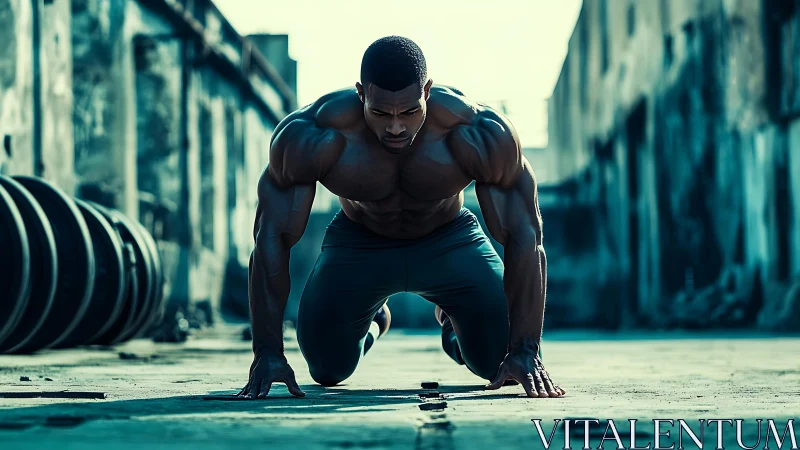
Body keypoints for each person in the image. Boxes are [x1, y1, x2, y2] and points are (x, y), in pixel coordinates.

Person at [238, 36, 565, 399]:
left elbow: (525, 237)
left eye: (409, 112)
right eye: (381, 113)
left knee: (498, 363)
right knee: (327, 369)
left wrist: (526, 350)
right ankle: (375, 319)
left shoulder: (477, 132)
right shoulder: (314, 135)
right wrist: (267, 352)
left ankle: (452, 324)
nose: (395, 127)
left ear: (427, 90)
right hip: (358, 243)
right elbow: (270, 239)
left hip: (450, 241)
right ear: (361, 94)